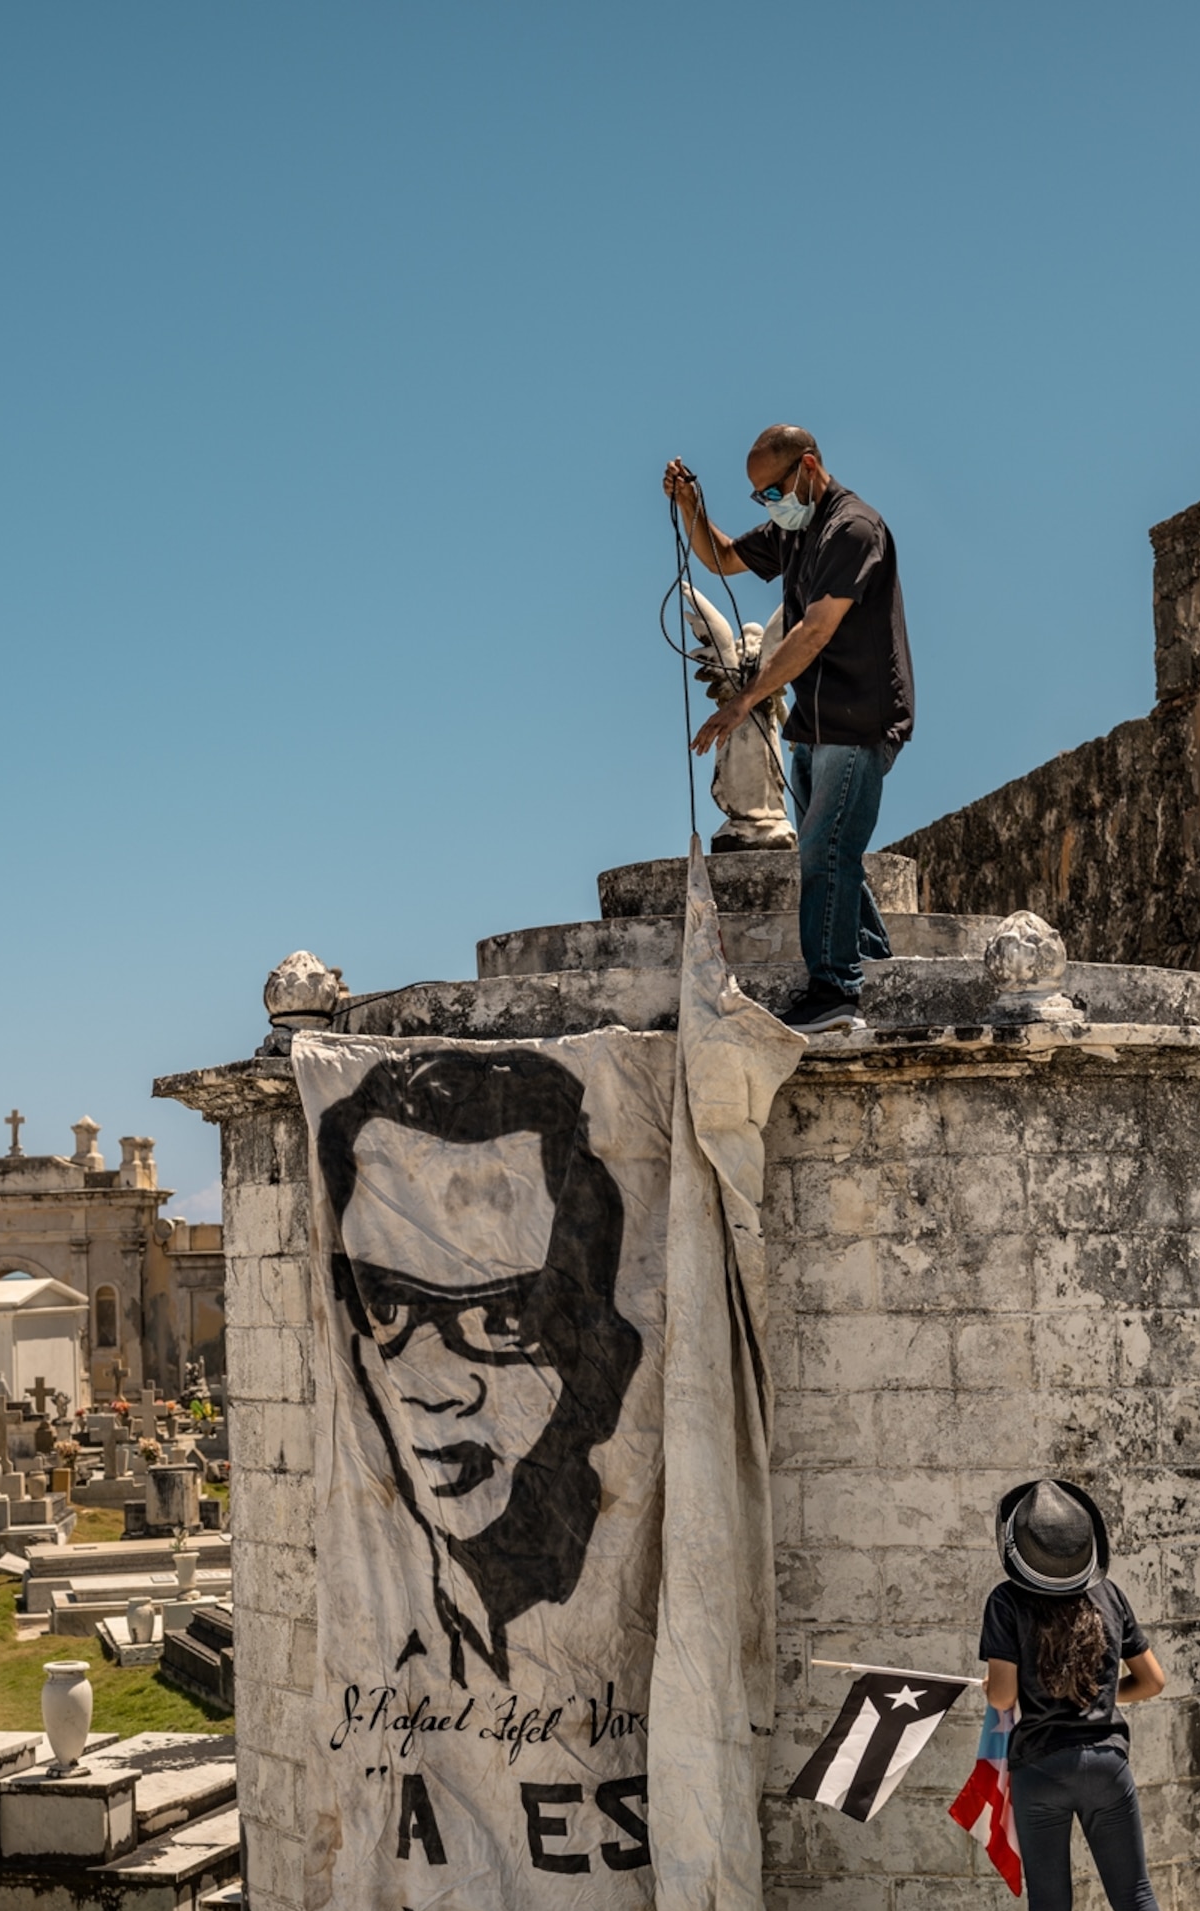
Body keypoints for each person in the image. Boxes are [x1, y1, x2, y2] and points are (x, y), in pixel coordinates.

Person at [318, 1045, 645, 1684]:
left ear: (592, 1338)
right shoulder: (394, 1592)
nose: (437, 1389)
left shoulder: (624, 1568)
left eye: (501, 1321)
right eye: (384, 1306)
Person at [662, 426, 914, 1035]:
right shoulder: (794, 531)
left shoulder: (851, 529)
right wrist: (693, 510)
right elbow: (723, 557)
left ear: (807, 468)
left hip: (859, 723)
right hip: (815, 724)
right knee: (824, 850)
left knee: (828, 848)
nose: (770, 504)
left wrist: (744, 699)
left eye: (772, 490)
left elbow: (814, 630)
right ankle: (876, 964)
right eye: (759, 498)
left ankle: (835, 991)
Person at [976, 1476, 1181, 1911]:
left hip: (1041, 1771)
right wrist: (1094, 1695)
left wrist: (998, 1685)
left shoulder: (1006, 1601)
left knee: (1049, 1904)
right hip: (1106, 1767)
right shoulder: (1109, 1596)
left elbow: (1002, 1697)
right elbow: (1153, 1680)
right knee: (1135, 1894)